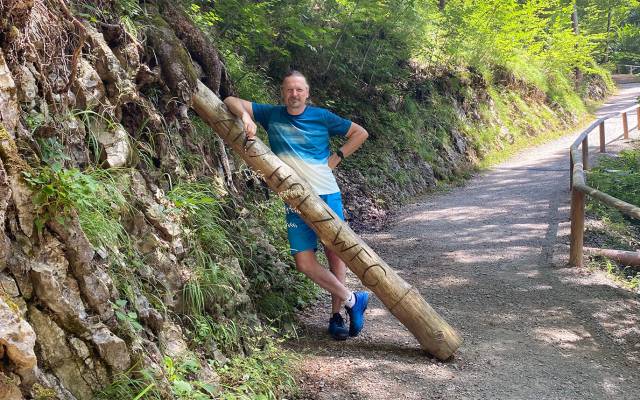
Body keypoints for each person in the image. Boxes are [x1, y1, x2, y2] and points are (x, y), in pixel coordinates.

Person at [223, 70, 370, 340]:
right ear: (283, 92)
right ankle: (352, 299)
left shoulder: (322, 116)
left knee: (334, 254)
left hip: (326, 194)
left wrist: (336, 157)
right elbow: (231, 100)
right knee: (304, 261)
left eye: (299, 90)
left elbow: (360, 133)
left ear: (307, 93)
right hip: (294, 199)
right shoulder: (271, 114)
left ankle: (337, 316)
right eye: (289, 89)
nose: (294, 94)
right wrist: (245, 116)